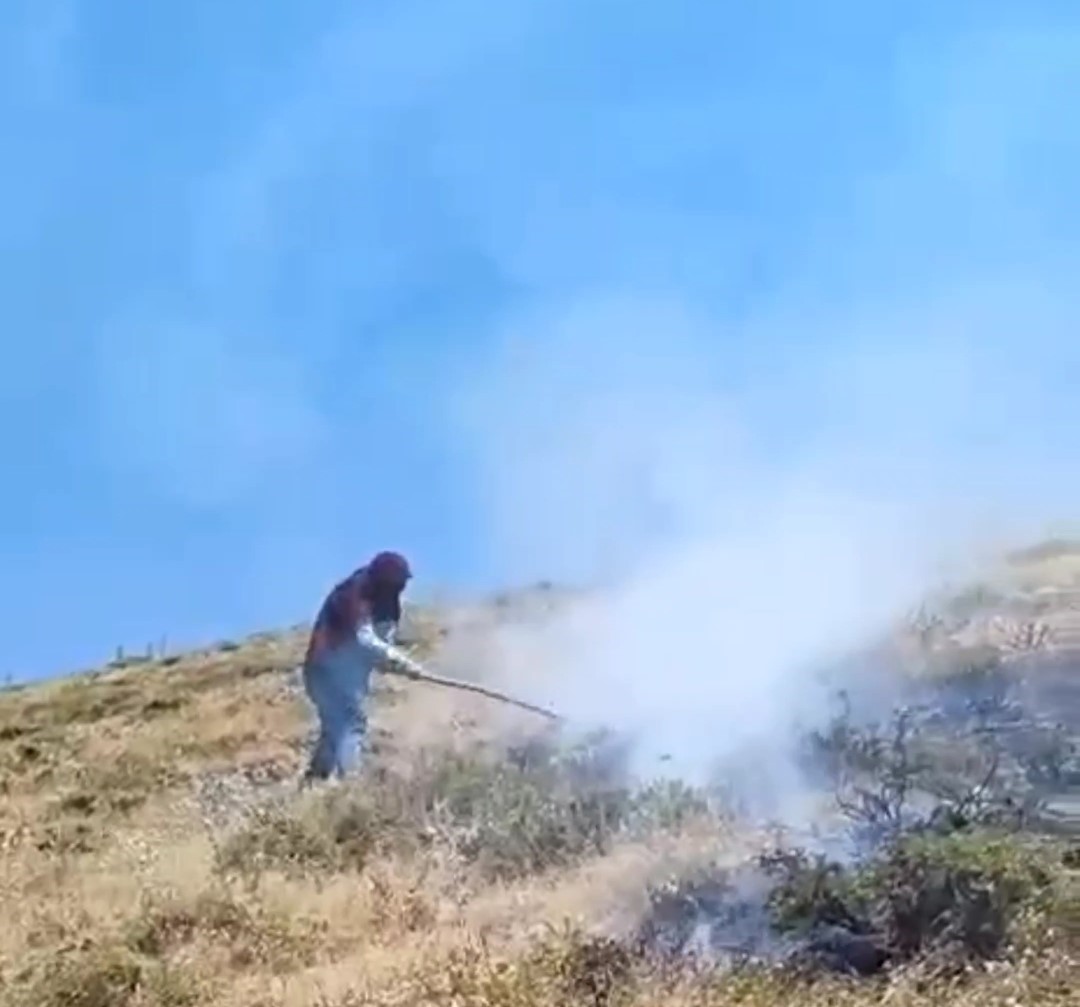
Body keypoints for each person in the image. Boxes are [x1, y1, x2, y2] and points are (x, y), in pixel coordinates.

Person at [300, 550, 425, 783]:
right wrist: (402, 662)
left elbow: (381, 647)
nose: (401, 588)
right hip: (324, 670)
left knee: (334, 729)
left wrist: (396, 664)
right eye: (397, 583)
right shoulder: (356, 593)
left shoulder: (389, 604)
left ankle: (313, 781)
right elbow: (363, 640)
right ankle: (351, 782)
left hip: (347, 677)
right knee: (351, 720)